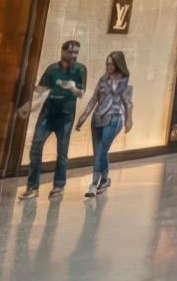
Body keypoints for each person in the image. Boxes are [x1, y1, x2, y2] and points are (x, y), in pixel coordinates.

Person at [20, 40, 86, 200]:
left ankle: (59, 185)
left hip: (66, 115)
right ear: (62, 52)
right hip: (48, 113)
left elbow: (81, 93)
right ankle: (32, 187)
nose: (73, 55)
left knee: (62, 151)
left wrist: (72, 87)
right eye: (70, 52)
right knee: (36, 146)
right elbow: (41, 89)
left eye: (76, 52)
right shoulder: (52, 68)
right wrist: (29, 104)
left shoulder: (80, 69)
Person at [77, 50, 133, 198]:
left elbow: (128, 103)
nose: (108, 67)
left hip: (114, 120)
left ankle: (93, 184)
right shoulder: (103, 79)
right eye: (107, 64)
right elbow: (94, 98)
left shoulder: (123, 81)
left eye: (111, 64)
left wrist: (129, 120)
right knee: (99, 153)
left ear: (118, 64)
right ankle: (105, 179)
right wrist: (83, 117)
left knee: (101, 151)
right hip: (97, 120)